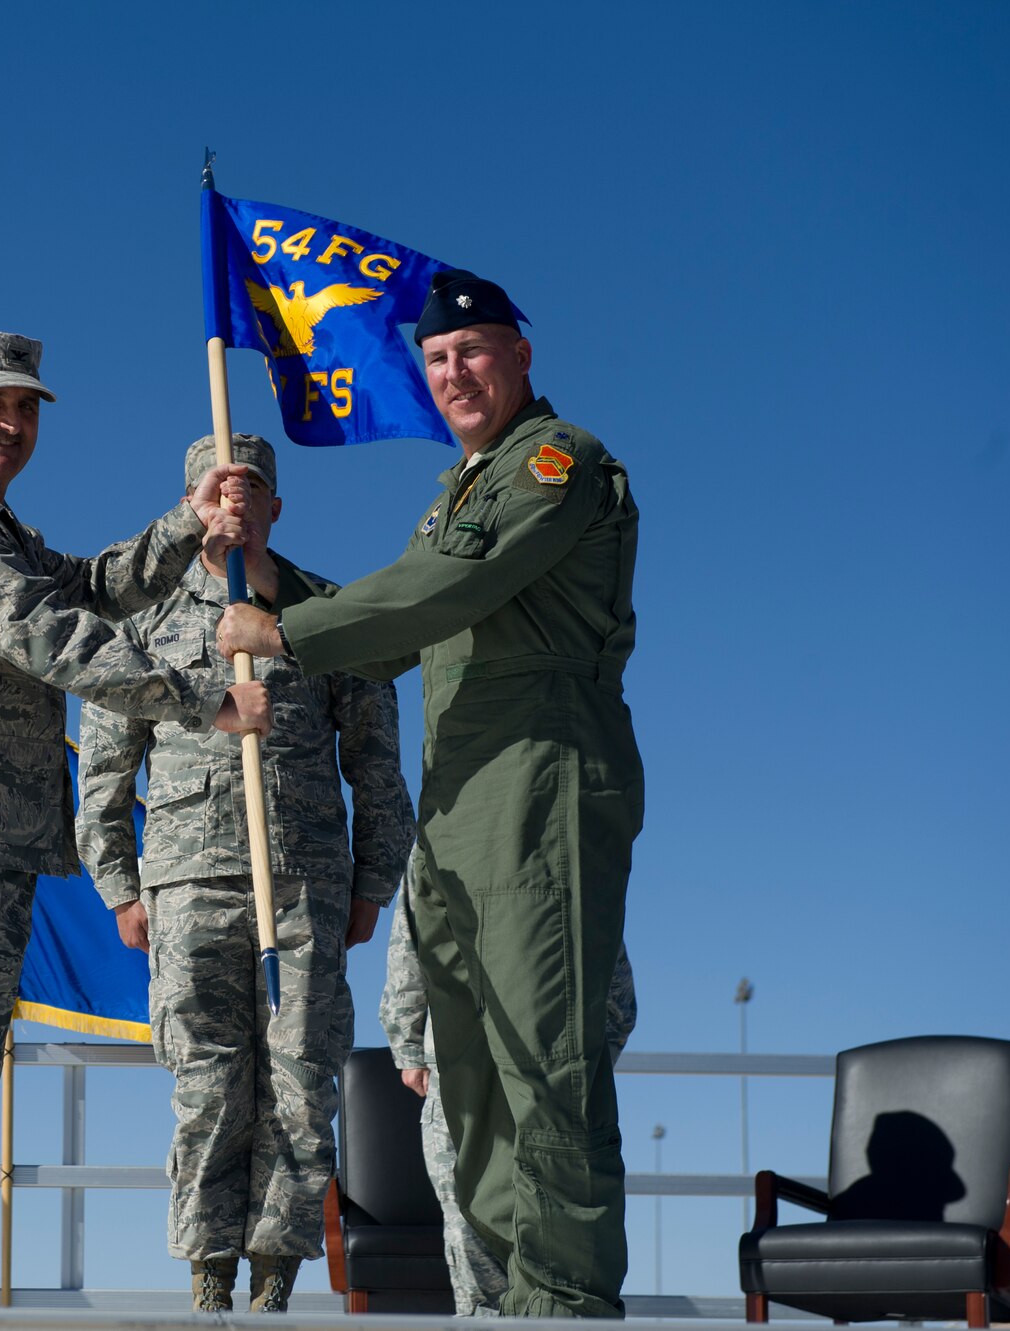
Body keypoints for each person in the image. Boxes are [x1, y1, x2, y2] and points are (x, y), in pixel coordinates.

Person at [217, 269, 643, 1317]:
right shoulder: (455, 495)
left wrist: (280, 632)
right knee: (471, 1075)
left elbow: (448, 588)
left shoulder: (557, 462)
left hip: (540, 781)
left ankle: (566, 1301)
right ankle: (505, 1298)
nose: (454, 373)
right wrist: (264, 572)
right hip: (454, 803)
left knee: (544, 1060)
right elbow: (401, 622)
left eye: (474, 351)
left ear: (519, 357)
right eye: (438, 359)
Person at [0, 327, 272, 1306]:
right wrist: (199, 694)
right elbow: (44, 630)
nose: (11, 420)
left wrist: (185, 526)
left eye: (27, 405)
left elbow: (82, 587)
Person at [76, 433, 414, 1313]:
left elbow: (376, 759)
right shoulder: (144, 622)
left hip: (303, 882)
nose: (233, 503)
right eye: (215, 488)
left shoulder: (327, 614)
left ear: (274, 507)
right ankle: (209, 1276)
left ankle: (275, 1281)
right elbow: (106, 769)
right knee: (206, 1086)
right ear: (194, 504)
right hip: (187, 884)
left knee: (300, 1084)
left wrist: (374, 878)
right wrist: (119, 884)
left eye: (250, 487)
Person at [380, 883, 639, 1314]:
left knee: (530, 1232)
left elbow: (608, 966)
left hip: (515, 1072)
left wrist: (409, 1044)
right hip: (498, 1069)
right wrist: (408, 1045)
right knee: (481, 1227)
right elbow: (414, 928)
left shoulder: (552, 840)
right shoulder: (557, 834)